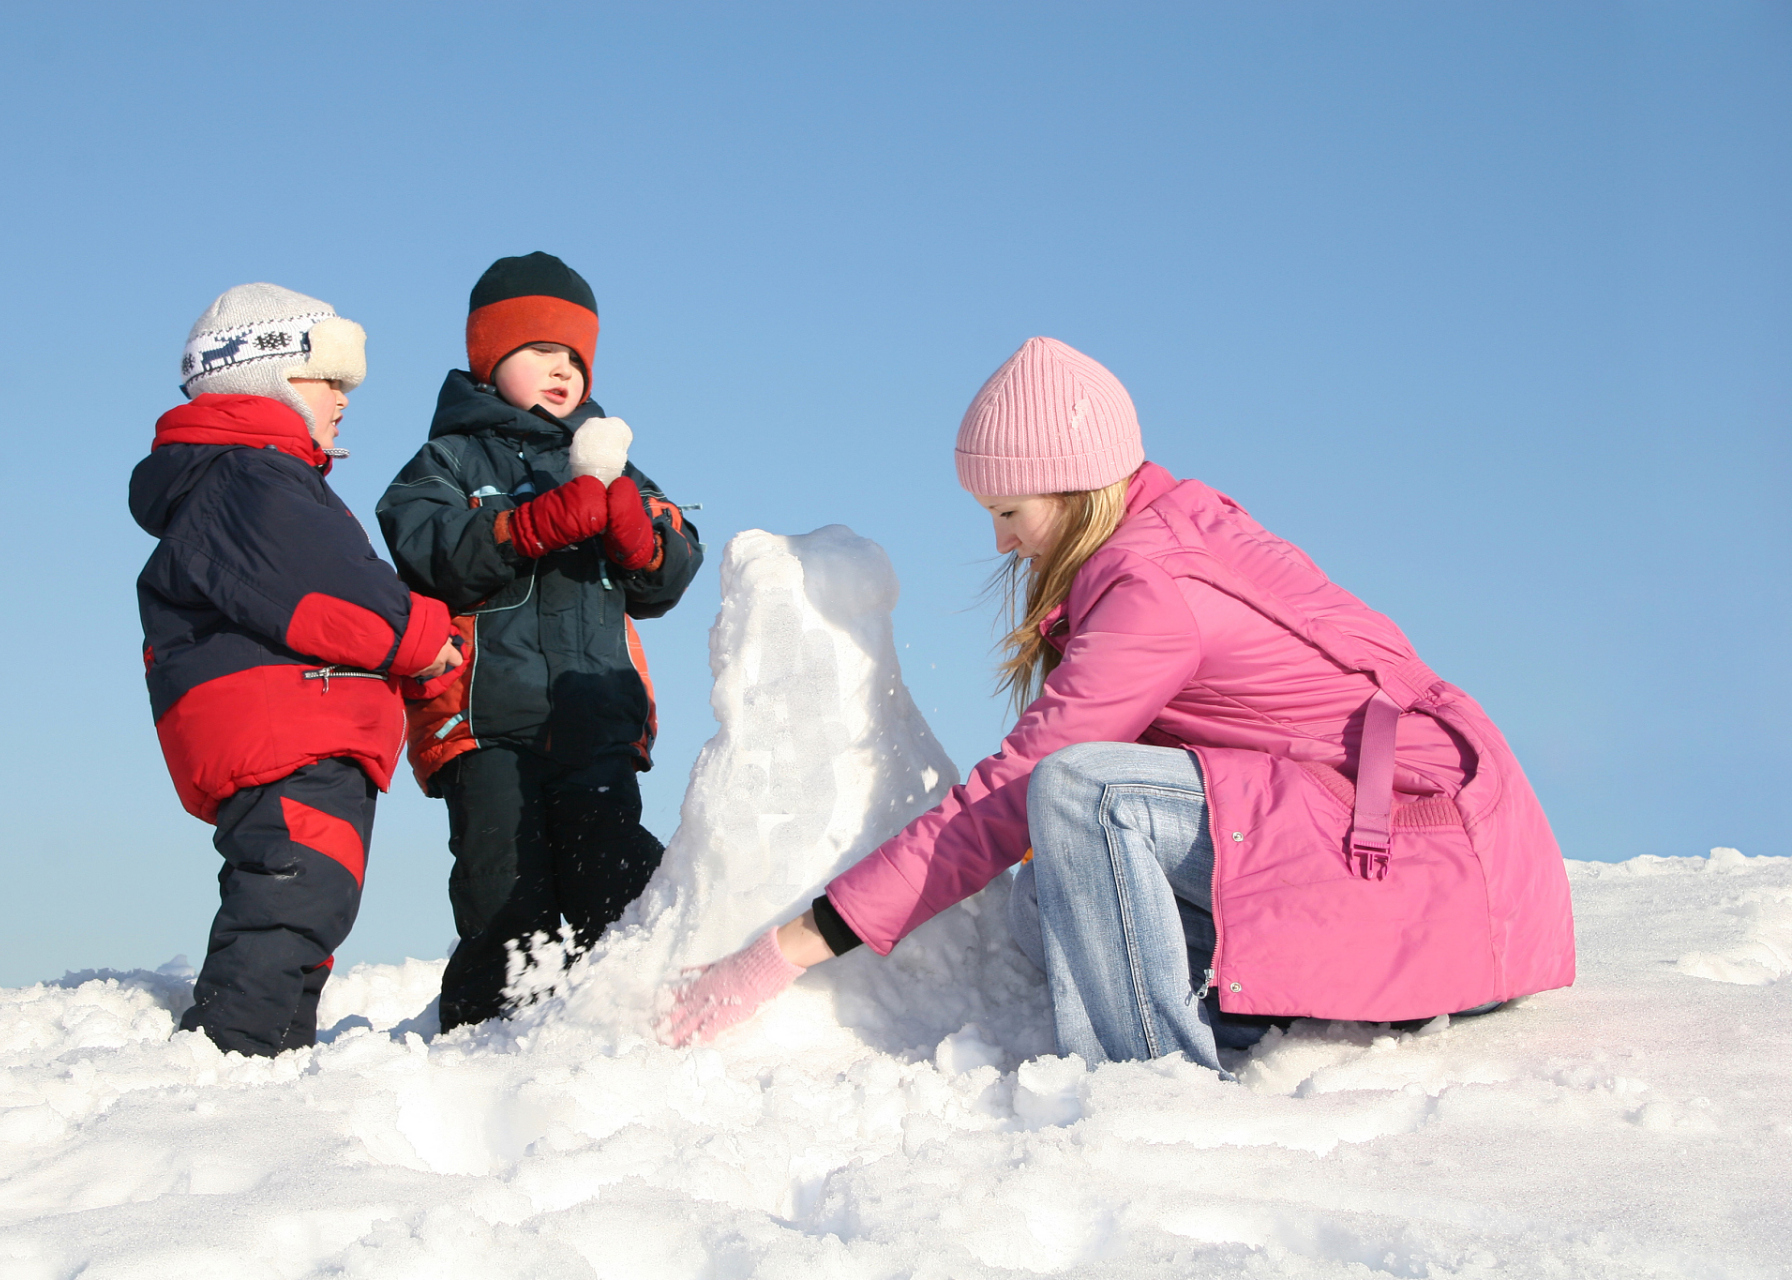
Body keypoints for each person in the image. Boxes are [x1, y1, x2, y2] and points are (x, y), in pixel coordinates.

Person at [662, 336, 1575, 1075]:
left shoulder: (1152, 584)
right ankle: (1263, 1013)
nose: (1001, 540)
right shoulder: (1156, 532)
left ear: (1075, 485)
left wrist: (787, 949)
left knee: (1077, 795)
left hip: (1434, 866)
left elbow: (1013, 794)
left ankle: (1147, 1083)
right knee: (1043, 901)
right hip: (1406, 853)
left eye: (1010, 511)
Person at [131, 284, 463, 1057]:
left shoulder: (252, 479)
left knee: (306, 903)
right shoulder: (252, 480)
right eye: (330, 379)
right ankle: (226, 1059)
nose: (345, 400)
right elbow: (329, 590)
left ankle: (272, 1068)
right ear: (265, 375)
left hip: (296, 730)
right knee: (290, 900)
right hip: (289, 734)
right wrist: (424, 637)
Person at [377, 252, 705, 1033]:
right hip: (487, 724)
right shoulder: (448, 461)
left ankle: (613, 1025)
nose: (561, 372)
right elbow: (425, 545)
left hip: (596, 717)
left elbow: (669, 569)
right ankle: (487, 1037)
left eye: (574, 358)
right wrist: (524, 526)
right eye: (539, 352)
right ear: (489, 358)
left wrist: (635, 528)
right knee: (506, 884)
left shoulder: (614, 462)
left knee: (610, 877)